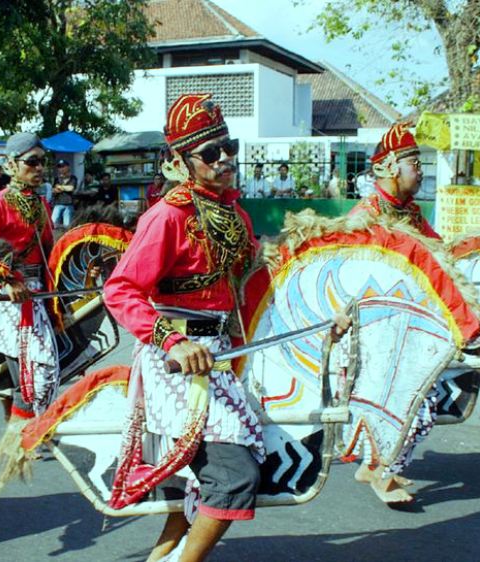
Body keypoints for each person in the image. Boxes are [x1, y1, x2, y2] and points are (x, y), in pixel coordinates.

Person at [104, 93, 345, 562]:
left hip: (222, 358)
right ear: (180, 161)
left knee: (232, 461)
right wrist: (172, 342)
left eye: (228, 147)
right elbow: (121, 291)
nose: (225, 159)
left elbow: (257, 287)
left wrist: (316, 325)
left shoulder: (235, 215)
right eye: (210, 153)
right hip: (175, 364)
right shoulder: (166, 217)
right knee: (234, 477)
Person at [348, 121, 439, 505]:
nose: (420, 170)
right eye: (413, 162)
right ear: (387, 168)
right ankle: (381, 469)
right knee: (403, 402)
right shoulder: (364, 218)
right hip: (377, 330)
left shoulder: (413, 215)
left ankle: (380, 466)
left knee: (423, 403)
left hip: (413, 327)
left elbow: (440, 258)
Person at [0, 132, 59, 423]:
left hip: (38, 296)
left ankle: (21, 431)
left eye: (43, 162)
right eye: (32, 162)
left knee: (39, 371)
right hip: (9, 300)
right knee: (29, 374)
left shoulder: (42, 205)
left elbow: (49, 251)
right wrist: (7, 281)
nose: (39, 169)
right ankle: (20, 440)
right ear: (11, 164)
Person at [51, 159, 77, 228]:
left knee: (67, 226)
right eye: (59, 167)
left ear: (68, 167)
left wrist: (60, 187)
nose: (61, 168)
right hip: (58, 203)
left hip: (69, 204)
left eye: (63, 166)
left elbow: (71, 188)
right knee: (53, 224)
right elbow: (54, 190)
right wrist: (64, 188)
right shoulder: (57, 179)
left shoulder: (73, 178)